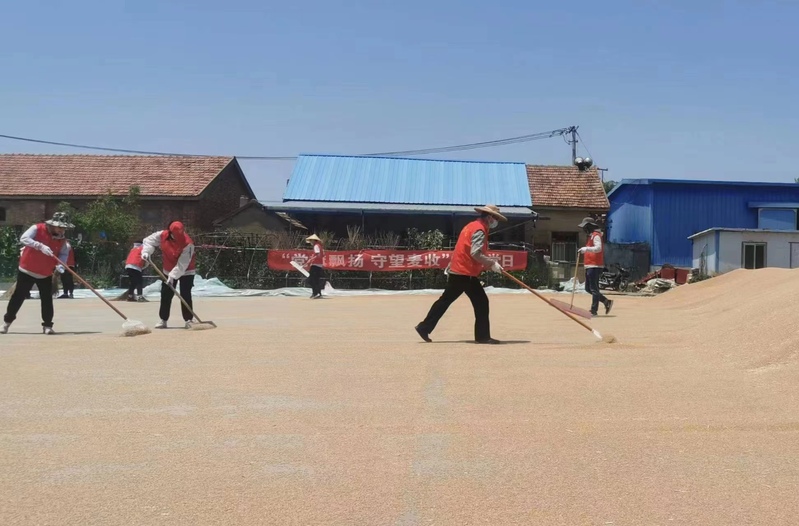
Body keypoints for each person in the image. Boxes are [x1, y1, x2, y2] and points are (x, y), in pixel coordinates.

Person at [415, 204, 507, 344]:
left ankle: (424, 327)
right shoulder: (479, 230)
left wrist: (489, 264)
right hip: (465, 272)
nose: (496, 222)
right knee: (480, 302)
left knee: (445, 300)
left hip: (460, 270)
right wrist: (491, 263)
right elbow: (475, 253)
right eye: (496, 218)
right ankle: (482, 336)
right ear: (489, 217)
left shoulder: (471, 226)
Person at [1, 212, 73, 335]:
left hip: (45, 273)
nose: (62, 230)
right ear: (53, 225)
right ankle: (6, 323)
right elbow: (24, 238)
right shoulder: (37, 228)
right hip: (27, 269)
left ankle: (47, 326)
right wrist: (40, 246)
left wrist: (61, 265)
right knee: (18, 296)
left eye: (64, 228)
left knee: (47, 299)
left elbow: (63, 254)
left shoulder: (62, 240)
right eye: (60, 227)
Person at [141, 221, 196, 329]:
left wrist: (173, 276)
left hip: (186, 270)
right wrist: (146, 252)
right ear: (170, 232)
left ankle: (188, 319)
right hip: (168, 268)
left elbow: (183, 264)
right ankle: (163, 319)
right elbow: (148, 241)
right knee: (166, 294)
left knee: (185, 294)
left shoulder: (188, 243)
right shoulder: (162, 235)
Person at [578, 216, 614, 317]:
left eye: (585, 227)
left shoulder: (596, 236)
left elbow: (598, 248)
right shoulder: (590, 236)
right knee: (588, 289)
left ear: (590, 226)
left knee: (594, 289)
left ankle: (594, 310)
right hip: (589, 265)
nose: (584, 229)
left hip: (595, 265)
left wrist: (586, 249)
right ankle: (606, 301)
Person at [303, 234, 325, 299]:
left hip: (315, 265)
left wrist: (310, 260)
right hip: (319, 265)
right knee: (316, 280)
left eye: (311, 240)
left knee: (311, 280)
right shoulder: (320, 246)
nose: (310, 242)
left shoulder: (316, 246)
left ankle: (316, 293)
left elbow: (317, 253)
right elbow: (322, 254)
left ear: (314, 240)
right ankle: (317, 293)